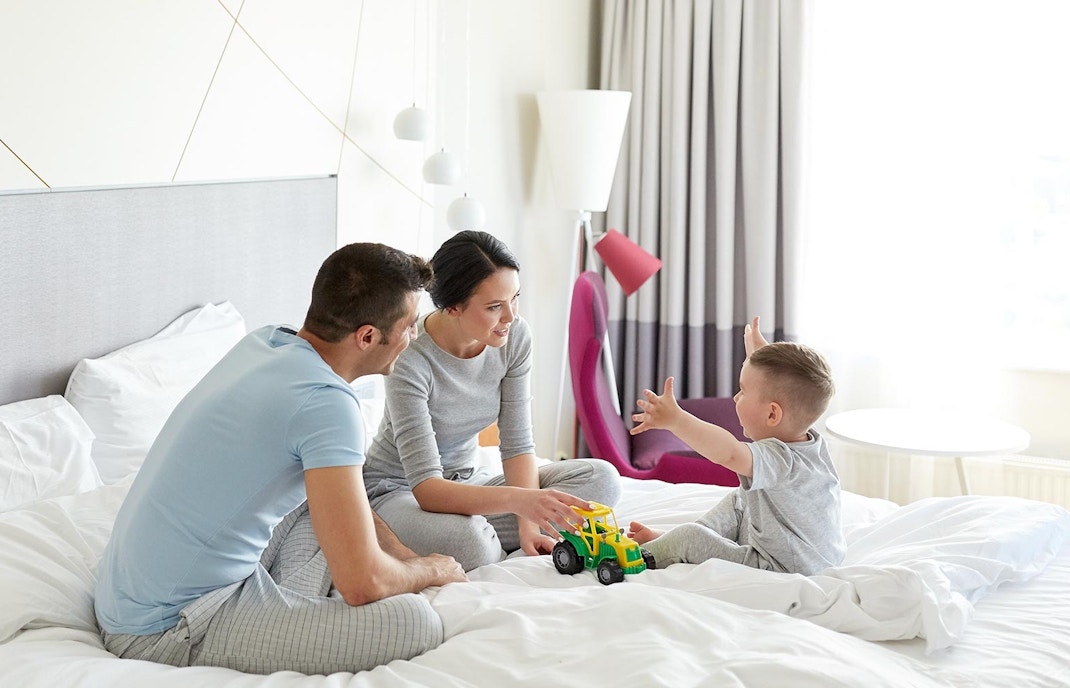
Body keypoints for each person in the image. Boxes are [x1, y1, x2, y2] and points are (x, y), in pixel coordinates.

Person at [94, 243, 468, 676]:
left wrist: (402, 556)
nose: (414, 337)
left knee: (322, 506)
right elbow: (364, 586)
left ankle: (289, 609)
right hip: (163, 627)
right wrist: (428, 569)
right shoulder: (328, 405)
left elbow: (337, 503)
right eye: (407, 327)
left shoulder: (267, 342)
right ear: (367, 337)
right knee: (415, 622)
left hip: (129, 590)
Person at [363, 230, 622, 571]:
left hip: (470, 481)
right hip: (402, 491)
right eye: (494, 307)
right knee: (472, 544)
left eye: (515, 298)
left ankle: (486, 530)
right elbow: (427, 487)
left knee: (601, 479)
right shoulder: (411, 358)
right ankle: (468, 533)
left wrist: (528, 522)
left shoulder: (514, 337)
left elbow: (517, 444)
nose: (511, 316)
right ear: (453, 307)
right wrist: (521, 502)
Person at [626, 316, 845, 575]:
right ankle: (677, 539)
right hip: (810, 555)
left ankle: (637, 556)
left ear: (772, 415)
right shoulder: (807, 438)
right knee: (739, 500)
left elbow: (728, 452)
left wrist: (677, 420)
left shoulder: (780, 459)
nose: (735, 397)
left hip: (782, 567)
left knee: (688, 536)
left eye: (743, 391)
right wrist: (763, 355)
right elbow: (791, 386)